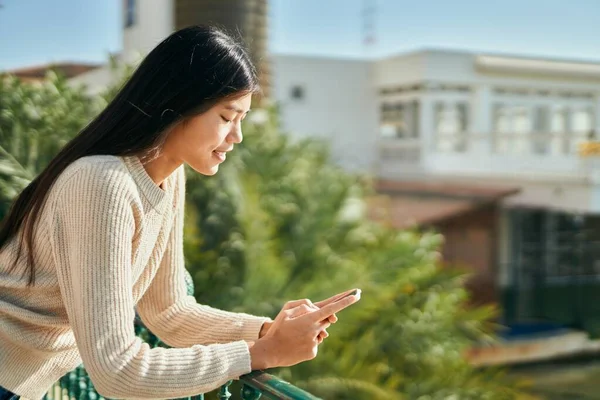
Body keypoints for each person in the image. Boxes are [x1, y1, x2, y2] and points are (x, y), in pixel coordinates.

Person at [0, 25, 360, 400]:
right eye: (226, 117)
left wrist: (269, 332)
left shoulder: (167, 178)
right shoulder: (101, 183)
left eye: (242, 119)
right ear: (178, 105)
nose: (237, 136)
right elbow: (117, 372)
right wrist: (259, 354)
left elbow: (169, 312)